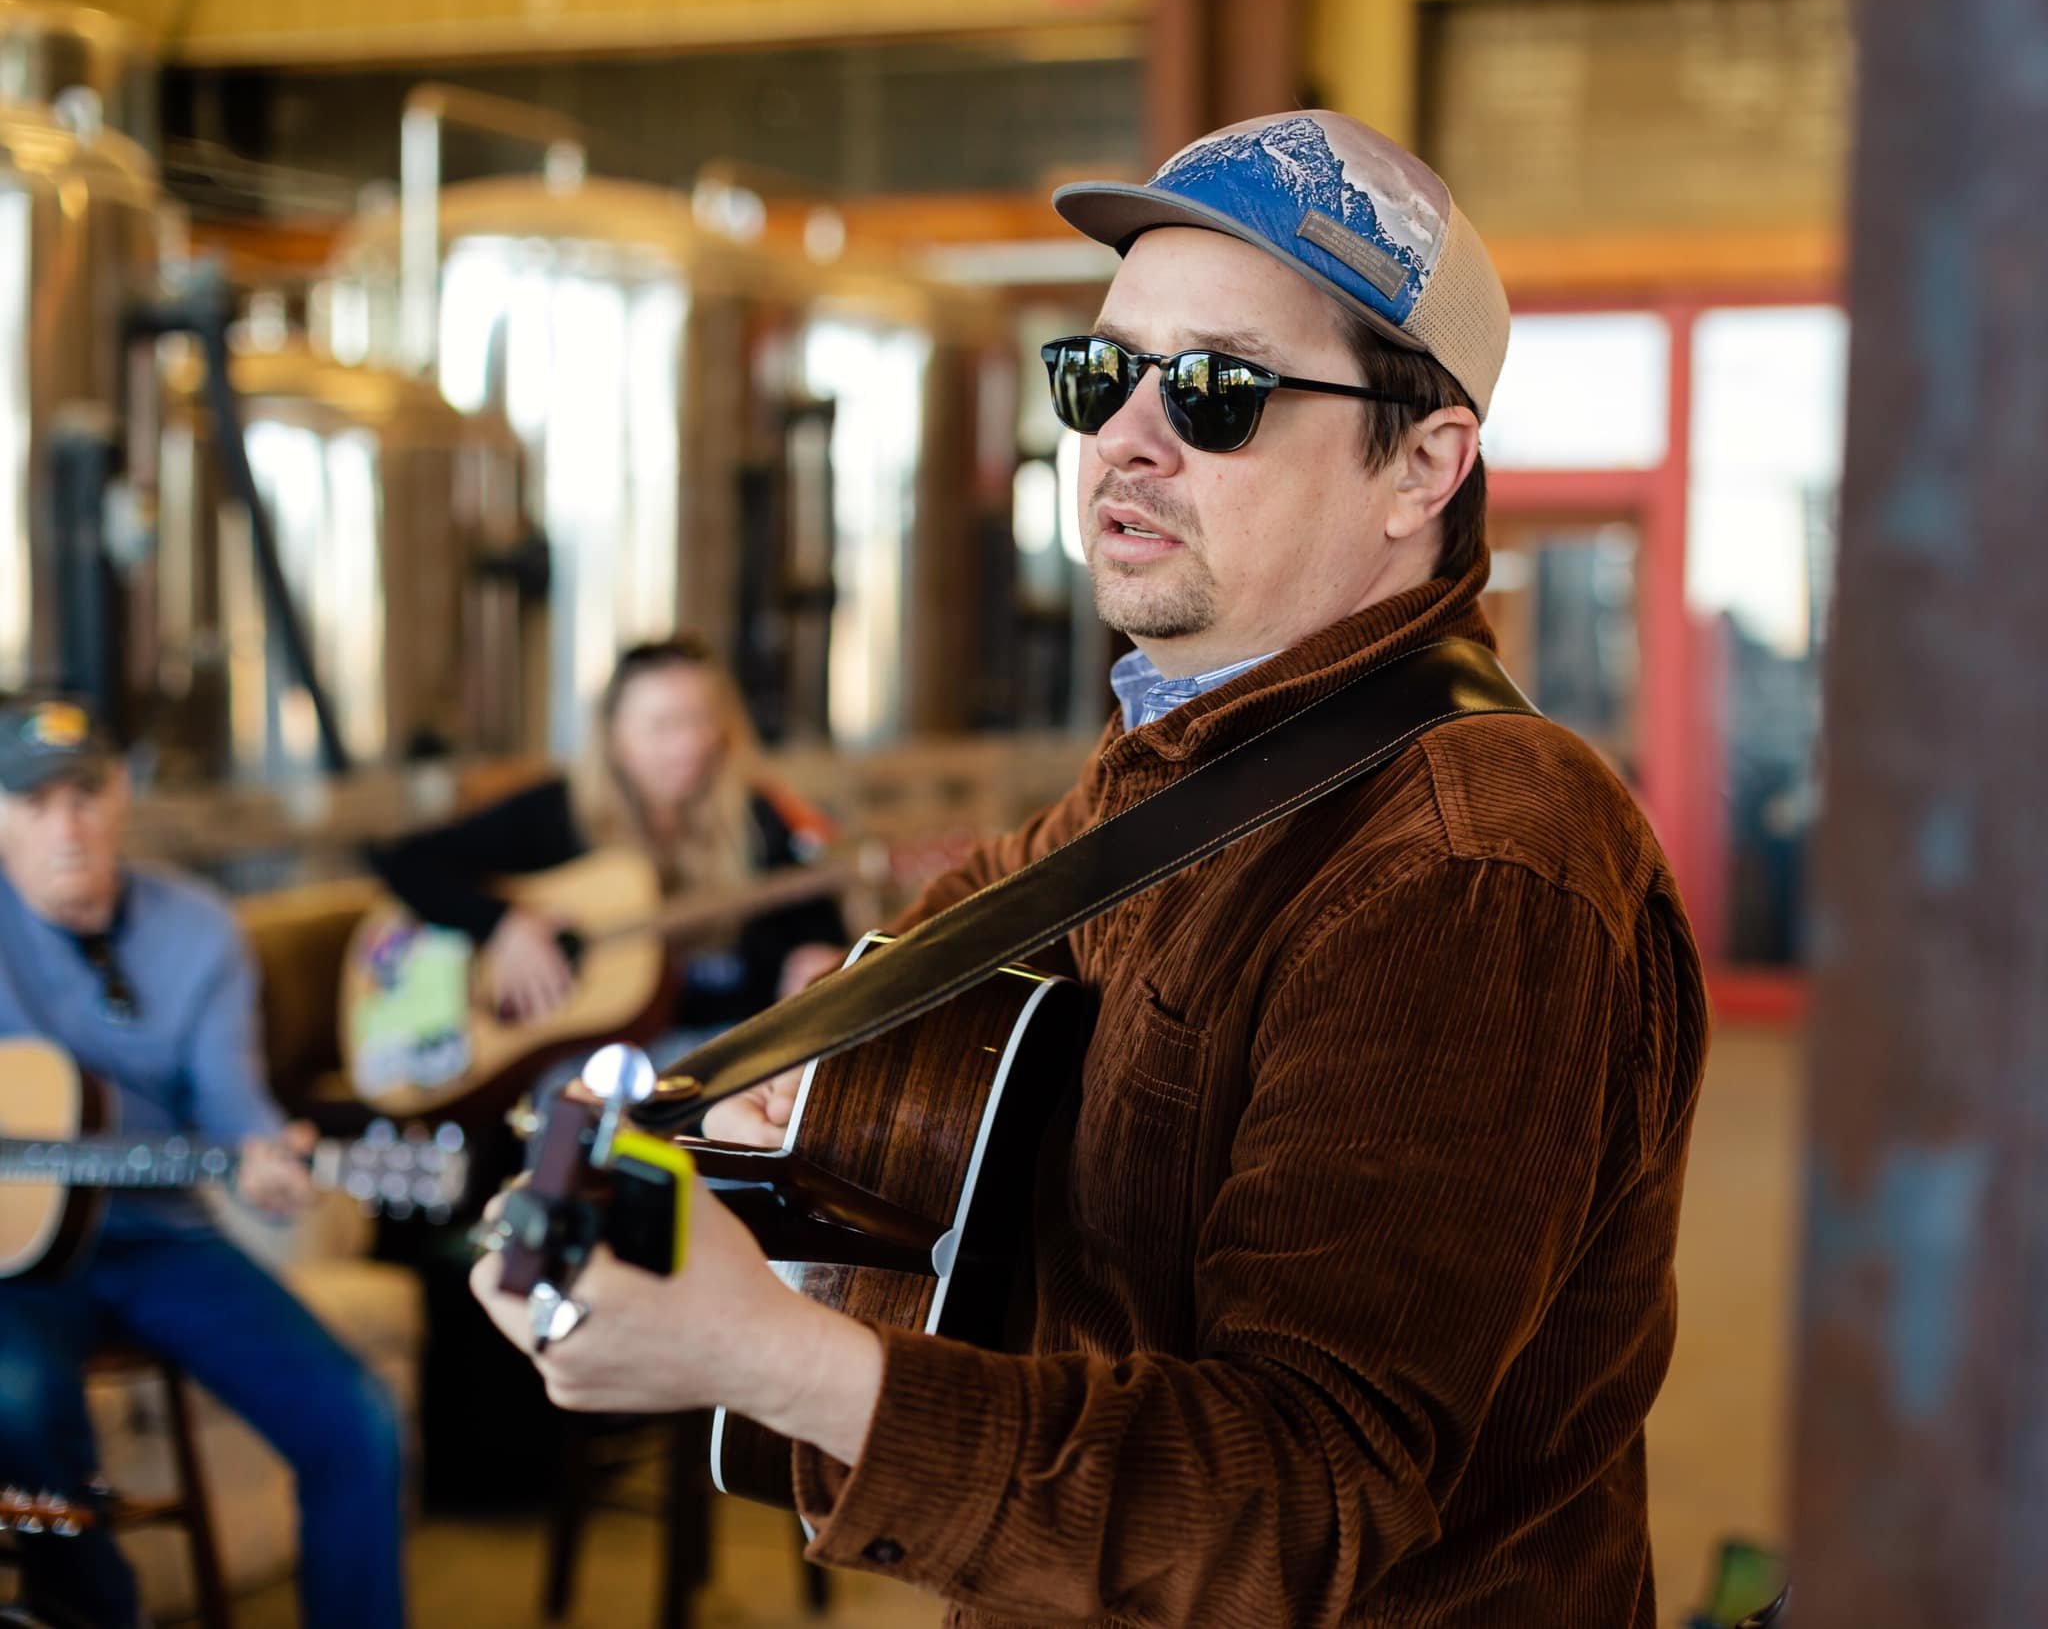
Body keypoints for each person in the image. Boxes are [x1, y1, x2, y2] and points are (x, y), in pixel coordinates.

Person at [473, 110, 1709, 1627]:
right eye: (1101, 372)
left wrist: (773, 1358)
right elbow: (923, 974)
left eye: (1216, 389)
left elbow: (1302, 1500)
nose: (1124, 433)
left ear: (1423, 466)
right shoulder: (1175, 768)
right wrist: (758, 1088)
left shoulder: (1471, 859)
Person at [0, 697, 405, 1629]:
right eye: (36, 802)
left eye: (86, 794)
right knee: (17, 1396)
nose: (68, 825)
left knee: (360, 1425)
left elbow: (234, 1099)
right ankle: (97, 1613)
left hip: (162, 1241)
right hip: (15, 1267)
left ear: (122, 796)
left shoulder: (200, 931)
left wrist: (268, 1162)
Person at [370, 635, 846, 1044]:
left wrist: (816, 960)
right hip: (584, 1058)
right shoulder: (558, 812)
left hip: (723, 1042)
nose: (688, 746)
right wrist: (503, 925)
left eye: (700, 721)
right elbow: (409, 861)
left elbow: (813, 920)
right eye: (663, 727)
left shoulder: (757, 817)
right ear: (614, 735)